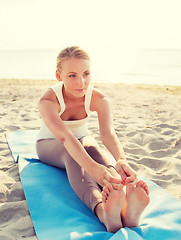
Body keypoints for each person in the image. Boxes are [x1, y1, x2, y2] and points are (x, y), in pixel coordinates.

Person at [36, 46, 150, 233]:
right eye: (72, 75)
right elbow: (65, 138)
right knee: (73, 154)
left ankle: (125, 208)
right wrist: (92, 168)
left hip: (81, 139)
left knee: (92, 146)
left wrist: (121, 160)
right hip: (50, 145)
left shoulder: (98, 98)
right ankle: (103, 211)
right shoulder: (48, 101)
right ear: (58, 75)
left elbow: (107, 133)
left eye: (86, 74)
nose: (81, 82)